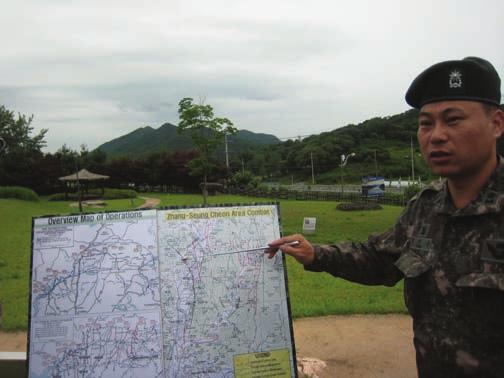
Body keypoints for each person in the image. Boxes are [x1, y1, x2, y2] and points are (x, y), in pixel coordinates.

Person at [267, 57, 504, 377]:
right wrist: (316, 255)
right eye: (425, 123)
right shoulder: (425, 208)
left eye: (453, 120)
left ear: (497, 123)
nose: (436, 135)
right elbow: (379, 259)